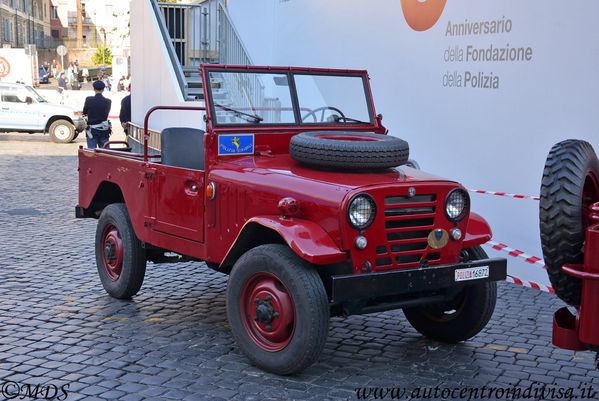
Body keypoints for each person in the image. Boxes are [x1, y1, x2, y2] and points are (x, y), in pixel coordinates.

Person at [82, 80, 112, 148]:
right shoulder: (108, 101)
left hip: (92, 131)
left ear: (94, 89)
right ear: (103, 89)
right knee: (105, 154)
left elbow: (85, 112)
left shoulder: (89, 100)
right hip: (104, 130)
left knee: (92, 153)